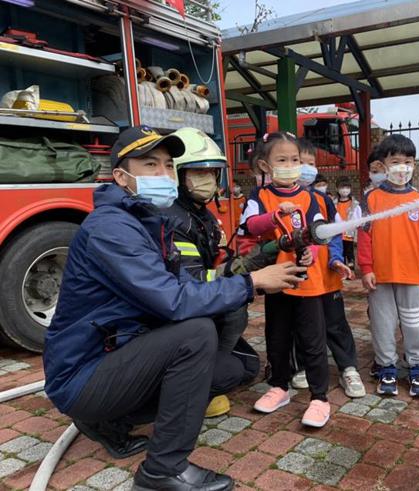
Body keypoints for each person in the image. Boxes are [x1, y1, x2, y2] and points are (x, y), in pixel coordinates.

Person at [43, 125, 306, 491]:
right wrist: (252, 283)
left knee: (233, 367)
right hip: (83, 374)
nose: (164, 174)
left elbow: (192, 283)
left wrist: (261, 259)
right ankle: (161, 470)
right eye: (150, 165)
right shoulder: (111, 228)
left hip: (115, 353)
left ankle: (110, 420)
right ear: (121, 177)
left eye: (168, 165)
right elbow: (173, 300)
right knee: (194, 334)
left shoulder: (147, 221)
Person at [160, 127, 260, 418]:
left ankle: (206, 367)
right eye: (198, 173)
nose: (208, 180)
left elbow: (216, 261)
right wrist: (250, 277)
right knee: (235, 308)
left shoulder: (199, 214)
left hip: (194, 307)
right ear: (178, 176)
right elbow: (196, 282)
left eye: (213, 173)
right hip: (178, 314)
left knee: (249, 367)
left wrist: (260, 256)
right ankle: (185, 386)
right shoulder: (173, 220)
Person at [240, 132, 332, 427]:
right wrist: (275, 215)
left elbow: (319, 231)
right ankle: (279, 387)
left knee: (313, 340)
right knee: (277, 336)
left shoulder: (311, 197)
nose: (291, 165)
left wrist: (312, 254)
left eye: (294, 159)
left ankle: (319, 398)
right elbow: (251, 225)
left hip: (309, 282)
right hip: (277, 280)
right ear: (265, 166)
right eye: (282, 160)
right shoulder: (259, 197)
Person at [358, 134, 419, 397]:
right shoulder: (371, 199)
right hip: (379, 277)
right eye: (395, 161)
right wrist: (367, 268)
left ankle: (417, 366)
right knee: (382, 324)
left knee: (414, 323)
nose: (402, 167)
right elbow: (364, 236)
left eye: (408, 161)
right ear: (383, 164)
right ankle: (387, 365)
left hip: (412, 276)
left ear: (415, 165)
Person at [290, 138, 365, 397]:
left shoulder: (324, 200)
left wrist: (335, 259)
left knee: (336, 322)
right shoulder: (282, 201)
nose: (305, 168)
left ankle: (348, 368)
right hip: (299, 280)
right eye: (299, 162)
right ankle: (302, 367)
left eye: (310, 163)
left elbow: (335, 234)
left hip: (327, 277)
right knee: (304, 325)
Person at [335, 175, 362, 268]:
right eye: (342, 187)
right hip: (337, 233)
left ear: (350, 189)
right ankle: (342, 270)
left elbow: (359, 219)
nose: (345, 190)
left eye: (347, 187)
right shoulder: (334, 203)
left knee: (350, 254)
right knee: (340, 253)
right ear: (337, 188)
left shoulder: (355, 204)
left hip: (349, 234)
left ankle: (351, 270)